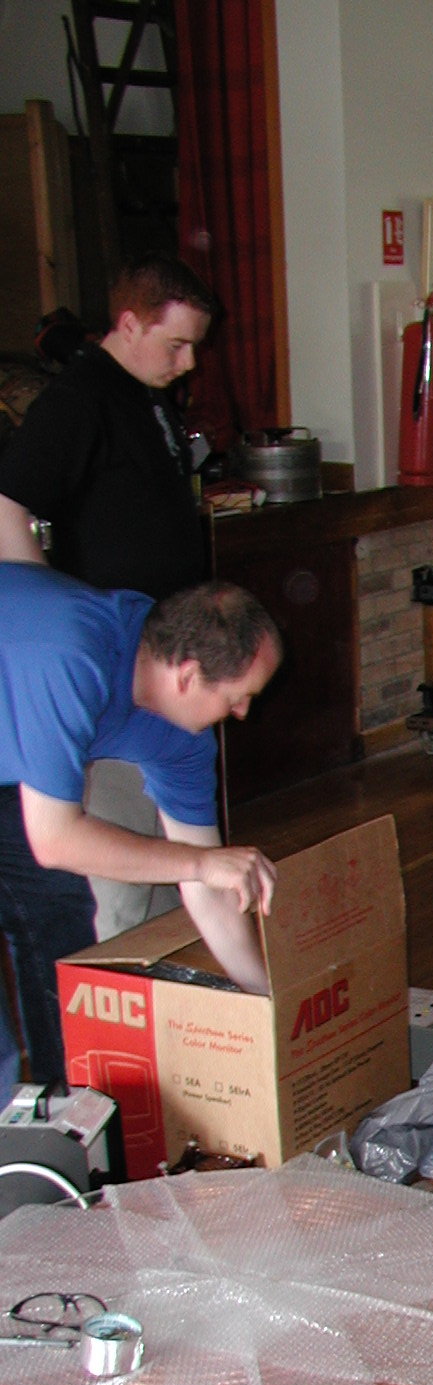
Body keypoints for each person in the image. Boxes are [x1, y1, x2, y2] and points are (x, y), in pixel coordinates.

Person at [0, 254, 218, 939]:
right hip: (110, 666)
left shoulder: (147, 396)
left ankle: (184, 989)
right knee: (122, 876)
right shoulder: (79, 399)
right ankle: (122, 990)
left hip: (169, 662)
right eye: (175, 344)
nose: (188, 361)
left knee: (181, 855)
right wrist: (53, 616)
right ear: (128, 324)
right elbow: (8, 505)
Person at [0, 565, 280, 1094]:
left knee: (58, 925)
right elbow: (55, 840)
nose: (243, 713)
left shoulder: (180, 731)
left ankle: (65, 1114)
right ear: (187, 676)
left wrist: (267, 999)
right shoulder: (71, 657)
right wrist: (201, 864)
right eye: (238, 696)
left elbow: (209, 887)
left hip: (11, 752)